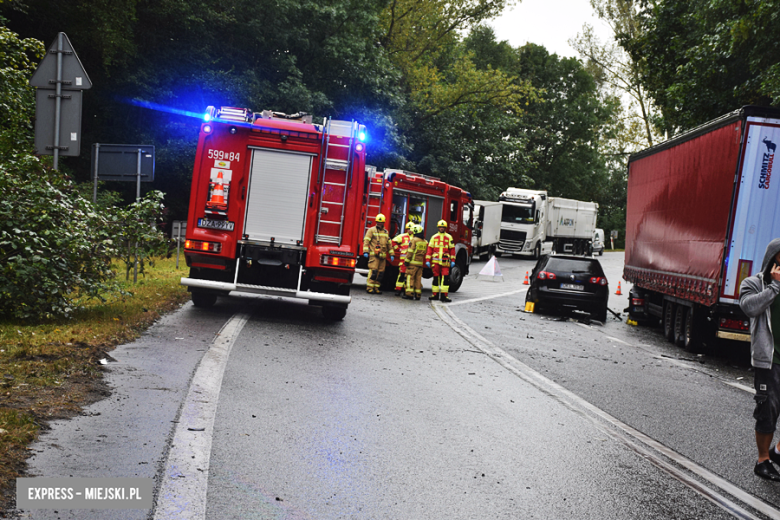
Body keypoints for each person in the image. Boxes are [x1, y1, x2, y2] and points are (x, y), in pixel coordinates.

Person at [739, 238, 780, 481]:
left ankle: (777, 451)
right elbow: (749, 307)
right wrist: (774, 288)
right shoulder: (754, 283)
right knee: (768, 412)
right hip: (770, 360)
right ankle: (763, 461)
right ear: (774, 257)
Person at [425, 219, 456, 303]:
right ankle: (435, 295)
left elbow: (452, 249)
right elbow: (429, 249)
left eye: (443, 227)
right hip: (435, 262)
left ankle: (444, 295)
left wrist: (453, 260)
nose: (441, 228)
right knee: (435, 278)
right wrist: (427, 260)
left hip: (445, 262)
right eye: (440, 227)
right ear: (438, 228)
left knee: (445, 279)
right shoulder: (434, 237)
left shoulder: (449, 237)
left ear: (445, 228)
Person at [363, 213, 394, 294]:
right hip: (374, 256)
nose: (380, 224)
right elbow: (366, 241)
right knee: (373, 272)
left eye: (381, 222)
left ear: (384, 222)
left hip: (382, 257)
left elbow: (389, 244)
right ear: (376, 221)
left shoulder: (385, 232)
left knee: (380, 273)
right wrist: (366, 251)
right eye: (378, 222)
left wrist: (392, 254)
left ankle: (376, 288)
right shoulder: (371, 230)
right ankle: (370, 287)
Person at [402, 224, 428, 300]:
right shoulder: (424, 241)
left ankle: (409, 294)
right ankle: (418, 294)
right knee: (418, 279)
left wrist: (406, 261)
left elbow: (410, 252)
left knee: (410, 278)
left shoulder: (414, 240)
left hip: (412, 263)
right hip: (420, 263)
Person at [391, 221, 415, 295]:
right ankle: (398, 290)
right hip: (403, 261)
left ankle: (406, 290)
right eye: (408, 229)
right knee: (401, 275)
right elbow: (393, 242)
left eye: (411, 229)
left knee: (409, 277)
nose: (409, 230)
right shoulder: (402, 236)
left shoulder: (416, 237)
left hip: (412, 261)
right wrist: (398, 249)